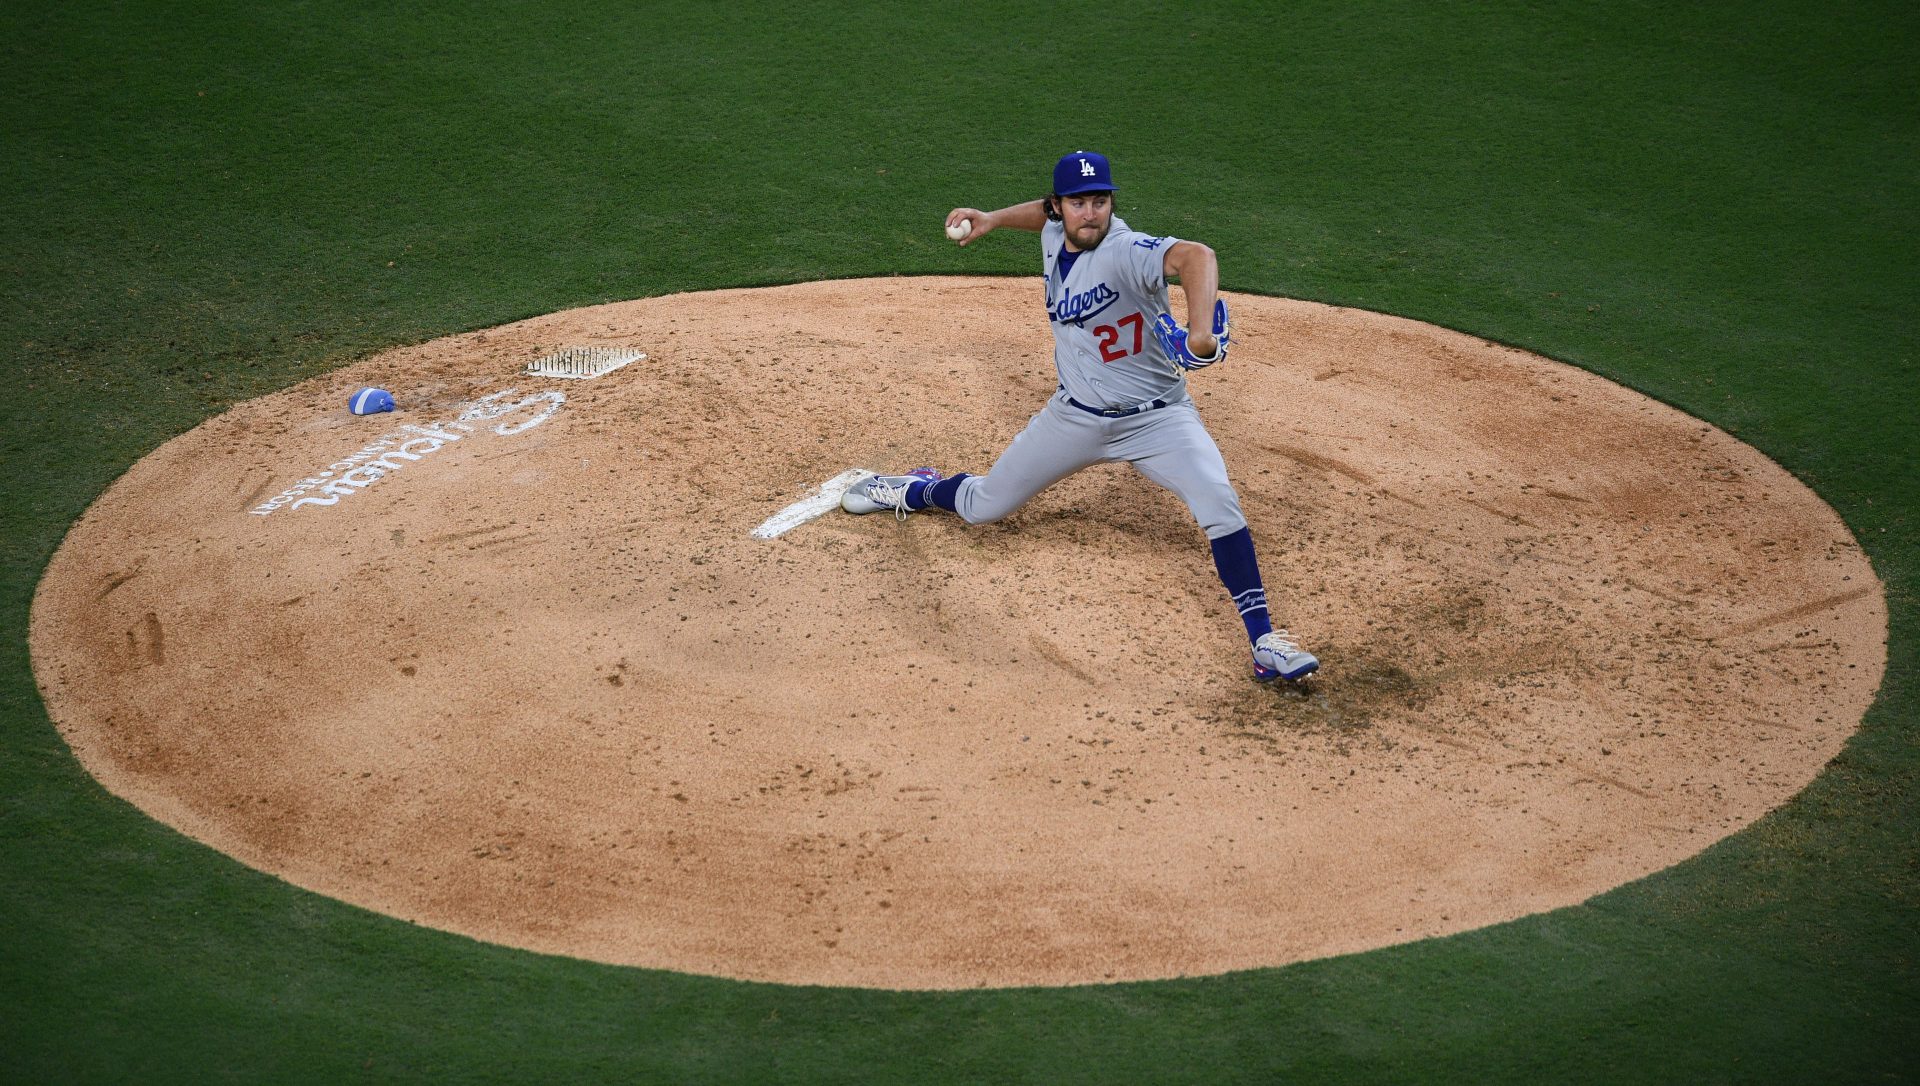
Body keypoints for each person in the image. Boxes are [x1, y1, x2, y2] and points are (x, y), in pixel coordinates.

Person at [842, 151, 1317, 682]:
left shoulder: (1126, 251)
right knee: (984, 507)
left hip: (1159, 421)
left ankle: (1265, 643)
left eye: (1100, 201)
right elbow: (1038, 217)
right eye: (1078, 203)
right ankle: (914, 489)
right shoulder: (1052, 232)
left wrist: (1200, 332)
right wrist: (994, 219)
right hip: (1075, 417)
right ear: (1058, 207)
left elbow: (1197, 256)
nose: (1091, 213)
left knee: (1219, 502)